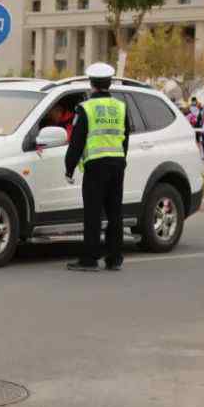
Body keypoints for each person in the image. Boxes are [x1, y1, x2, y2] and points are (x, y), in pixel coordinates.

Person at [64, 63, 129, 272]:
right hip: (117, 163)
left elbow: (77, 141)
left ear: (91, 84)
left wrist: (69, 167)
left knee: (93, 213)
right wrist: (121, 159)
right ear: (109, 83)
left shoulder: (86, 108)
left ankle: (90, 259)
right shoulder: (120, 106)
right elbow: (124, 138)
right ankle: (114, 258)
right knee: (115, 211)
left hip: (96, 165)